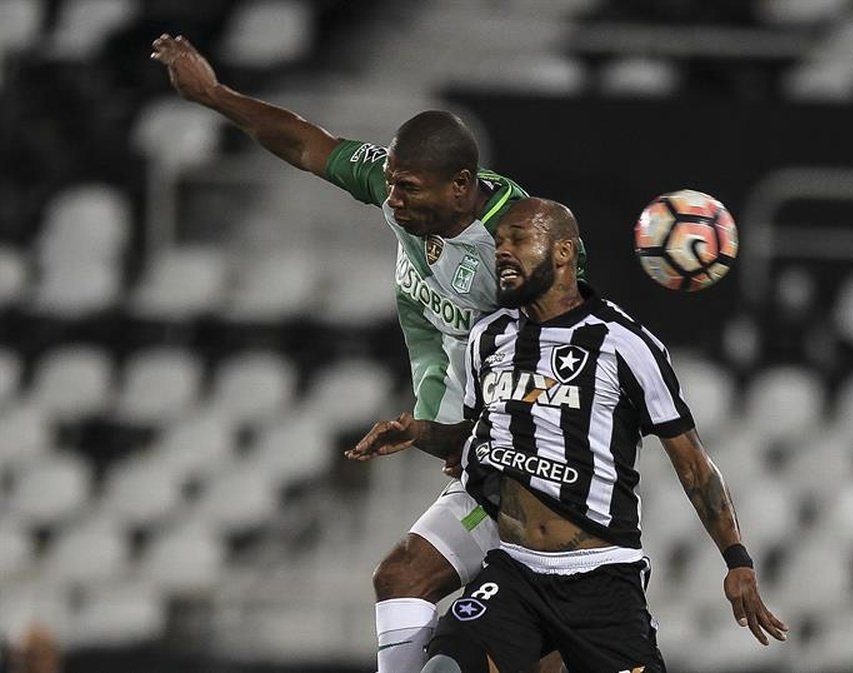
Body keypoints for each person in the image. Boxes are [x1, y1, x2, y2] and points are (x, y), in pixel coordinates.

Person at [150, 35, 581, 673]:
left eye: (408, 189)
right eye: (391, 185)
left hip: (542, 474)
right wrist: (214, 95)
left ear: (462, 186)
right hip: (480, 456)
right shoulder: (400, 192)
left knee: (534, 640)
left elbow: (569, 355)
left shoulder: (517, 240)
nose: (393, 199)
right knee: (403, 577)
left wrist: (482, 435)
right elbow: (304, 142)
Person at [349, 198, 788, 673]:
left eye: (518, 238)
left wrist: (736, 560)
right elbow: (473, 436)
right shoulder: (489, 337)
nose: (503, 251)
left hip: (601, 582)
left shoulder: (625, 343)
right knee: (444, 668)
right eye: (499, 242)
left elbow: (694, 466)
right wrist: (420, 432)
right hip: (515, 571)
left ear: (563, 252)